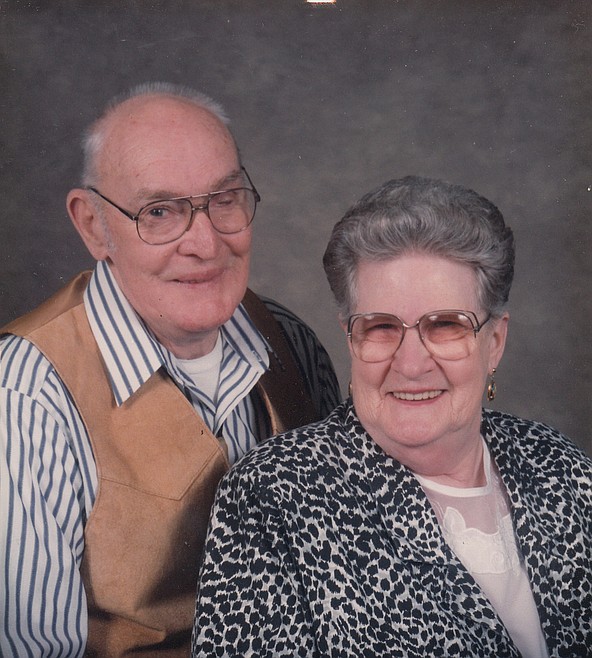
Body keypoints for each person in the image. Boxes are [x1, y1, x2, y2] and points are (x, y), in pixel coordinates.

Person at [0, 82, 340, 657]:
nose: (205, 243)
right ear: (93, 225)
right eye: (159, 212)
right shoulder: (25, 397)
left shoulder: (292, 341)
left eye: (225, 199)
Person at [191, 176, 592, 658]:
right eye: (381, 327)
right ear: (350, 338)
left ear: (495, 343)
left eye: (445, 325)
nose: (411, 363)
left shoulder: (560, 467)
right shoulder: (273, 496)